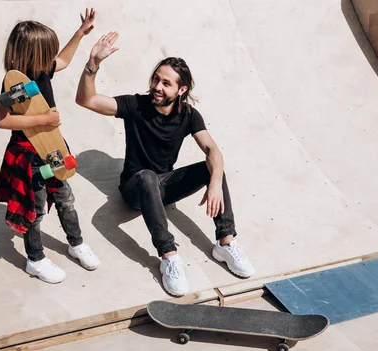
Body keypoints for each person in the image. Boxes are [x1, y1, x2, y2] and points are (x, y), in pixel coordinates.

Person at [75, 32, 255, 296]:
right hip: (135, 189)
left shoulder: (188, 115)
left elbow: (212, 149)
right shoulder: (135, 105)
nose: (157, 87)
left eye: (166, 83)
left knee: (212, 165)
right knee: (147, 176)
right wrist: (93, 64)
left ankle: (225, 242)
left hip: (165, 186)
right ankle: (169, 256)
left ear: (181, 90)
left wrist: (214, 183)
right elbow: (86, 100)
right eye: (156, 79)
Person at [0, 11, 100, 284]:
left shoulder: (42, 70)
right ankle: (35, 259)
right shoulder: (18, 86)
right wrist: (44, 118)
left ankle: (76, 244)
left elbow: (63, 60)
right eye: (46, 51)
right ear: (31, 53)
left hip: (52, 149)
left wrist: (80, 32)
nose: (51, 57)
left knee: (65, 195)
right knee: (35, 208)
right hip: (29, 156)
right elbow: (2, 119)